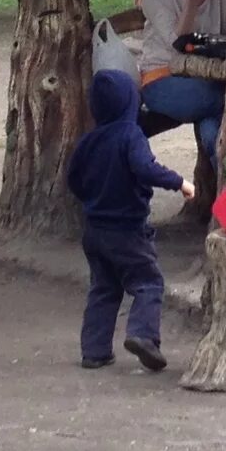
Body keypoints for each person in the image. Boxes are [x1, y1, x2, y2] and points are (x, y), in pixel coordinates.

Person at [67, 68, 183, 372]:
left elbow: (73, 179)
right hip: (128, 229)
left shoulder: (88, 141)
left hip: (94, 230)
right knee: (148, 282)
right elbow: (145, 169)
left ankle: (94, 351)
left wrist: (92, 199)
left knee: (103, 288)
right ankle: (143, 335)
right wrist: (178, 182)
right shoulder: (130, 135)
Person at [135, 0, 226, 173]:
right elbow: (179, 43)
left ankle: (225, 202)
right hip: (163, 79)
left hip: (210, 77)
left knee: (215, 137)